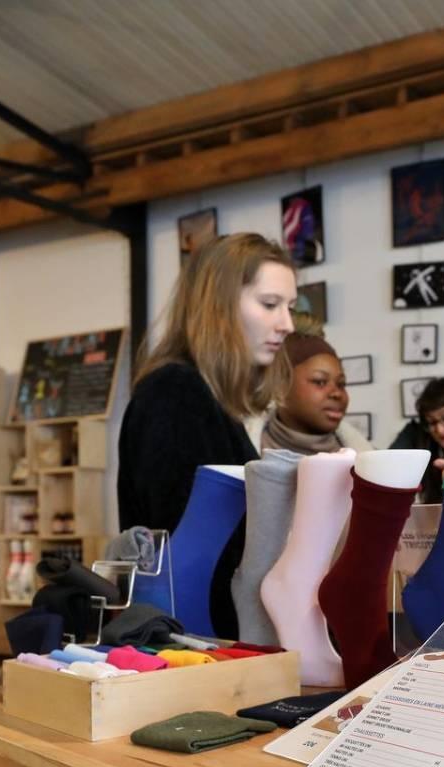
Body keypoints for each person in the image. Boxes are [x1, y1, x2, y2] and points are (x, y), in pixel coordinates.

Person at [117, 232, 296, 635]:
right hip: (198, 641)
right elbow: (187, 547)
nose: (286, 324)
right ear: (218, 306)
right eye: (269, 305)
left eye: (290, 307)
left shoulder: (207, 401)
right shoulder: (174, 394)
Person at [259, 323, 372, 455]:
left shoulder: (367, 466)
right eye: (320, 382)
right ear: (280, 387)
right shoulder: (238, 454)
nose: (336, 393)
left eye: (341, 384)